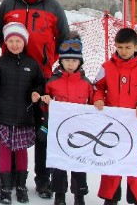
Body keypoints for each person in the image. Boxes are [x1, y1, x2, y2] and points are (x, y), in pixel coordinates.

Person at [0, 0, 69, 199]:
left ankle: (42, 179)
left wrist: (48, 63)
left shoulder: (54, 7)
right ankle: (14, 177)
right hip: (12, 80)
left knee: (41, 131)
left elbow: (64, 39)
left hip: (42, 79)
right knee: (15, 128)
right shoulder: (8, 4)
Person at [93, 28, 137, 205]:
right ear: (115, 46)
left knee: (136, 160)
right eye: (120, 47)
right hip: (112, 123)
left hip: (135, 124)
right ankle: (111, 197)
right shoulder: (106, 68)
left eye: (128, 47)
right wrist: (99, 98)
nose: (124, 51)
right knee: (111, 158)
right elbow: (97, 87)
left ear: (136, 47)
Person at [0, 22, 46, 204]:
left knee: (21, 152)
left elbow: (40, 84)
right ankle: (5, 186)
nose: (14, 44)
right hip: (3, 117)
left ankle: (21, 185)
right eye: (10, 40)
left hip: (23, 118)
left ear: (24, 42)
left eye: (18, 40)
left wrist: (36, 93)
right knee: (4, 150)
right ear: (5, 43)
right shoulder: (0, 63)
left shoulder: (32, 64)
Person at [40, 32, 93, 205]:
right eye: (67, 60)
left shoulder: (86, 84)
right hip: (59, 133)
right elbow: (44, 105)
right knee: (59, 166)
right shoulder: (53, 82)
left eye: (74, 61)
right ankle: (59, 195)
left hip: (80, 133)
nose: (70, 64)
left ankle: (79, 195)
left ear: (80, 62)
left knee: (78, 165)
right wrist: (45, 102)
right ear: (61, 61)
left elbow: (93, 106)